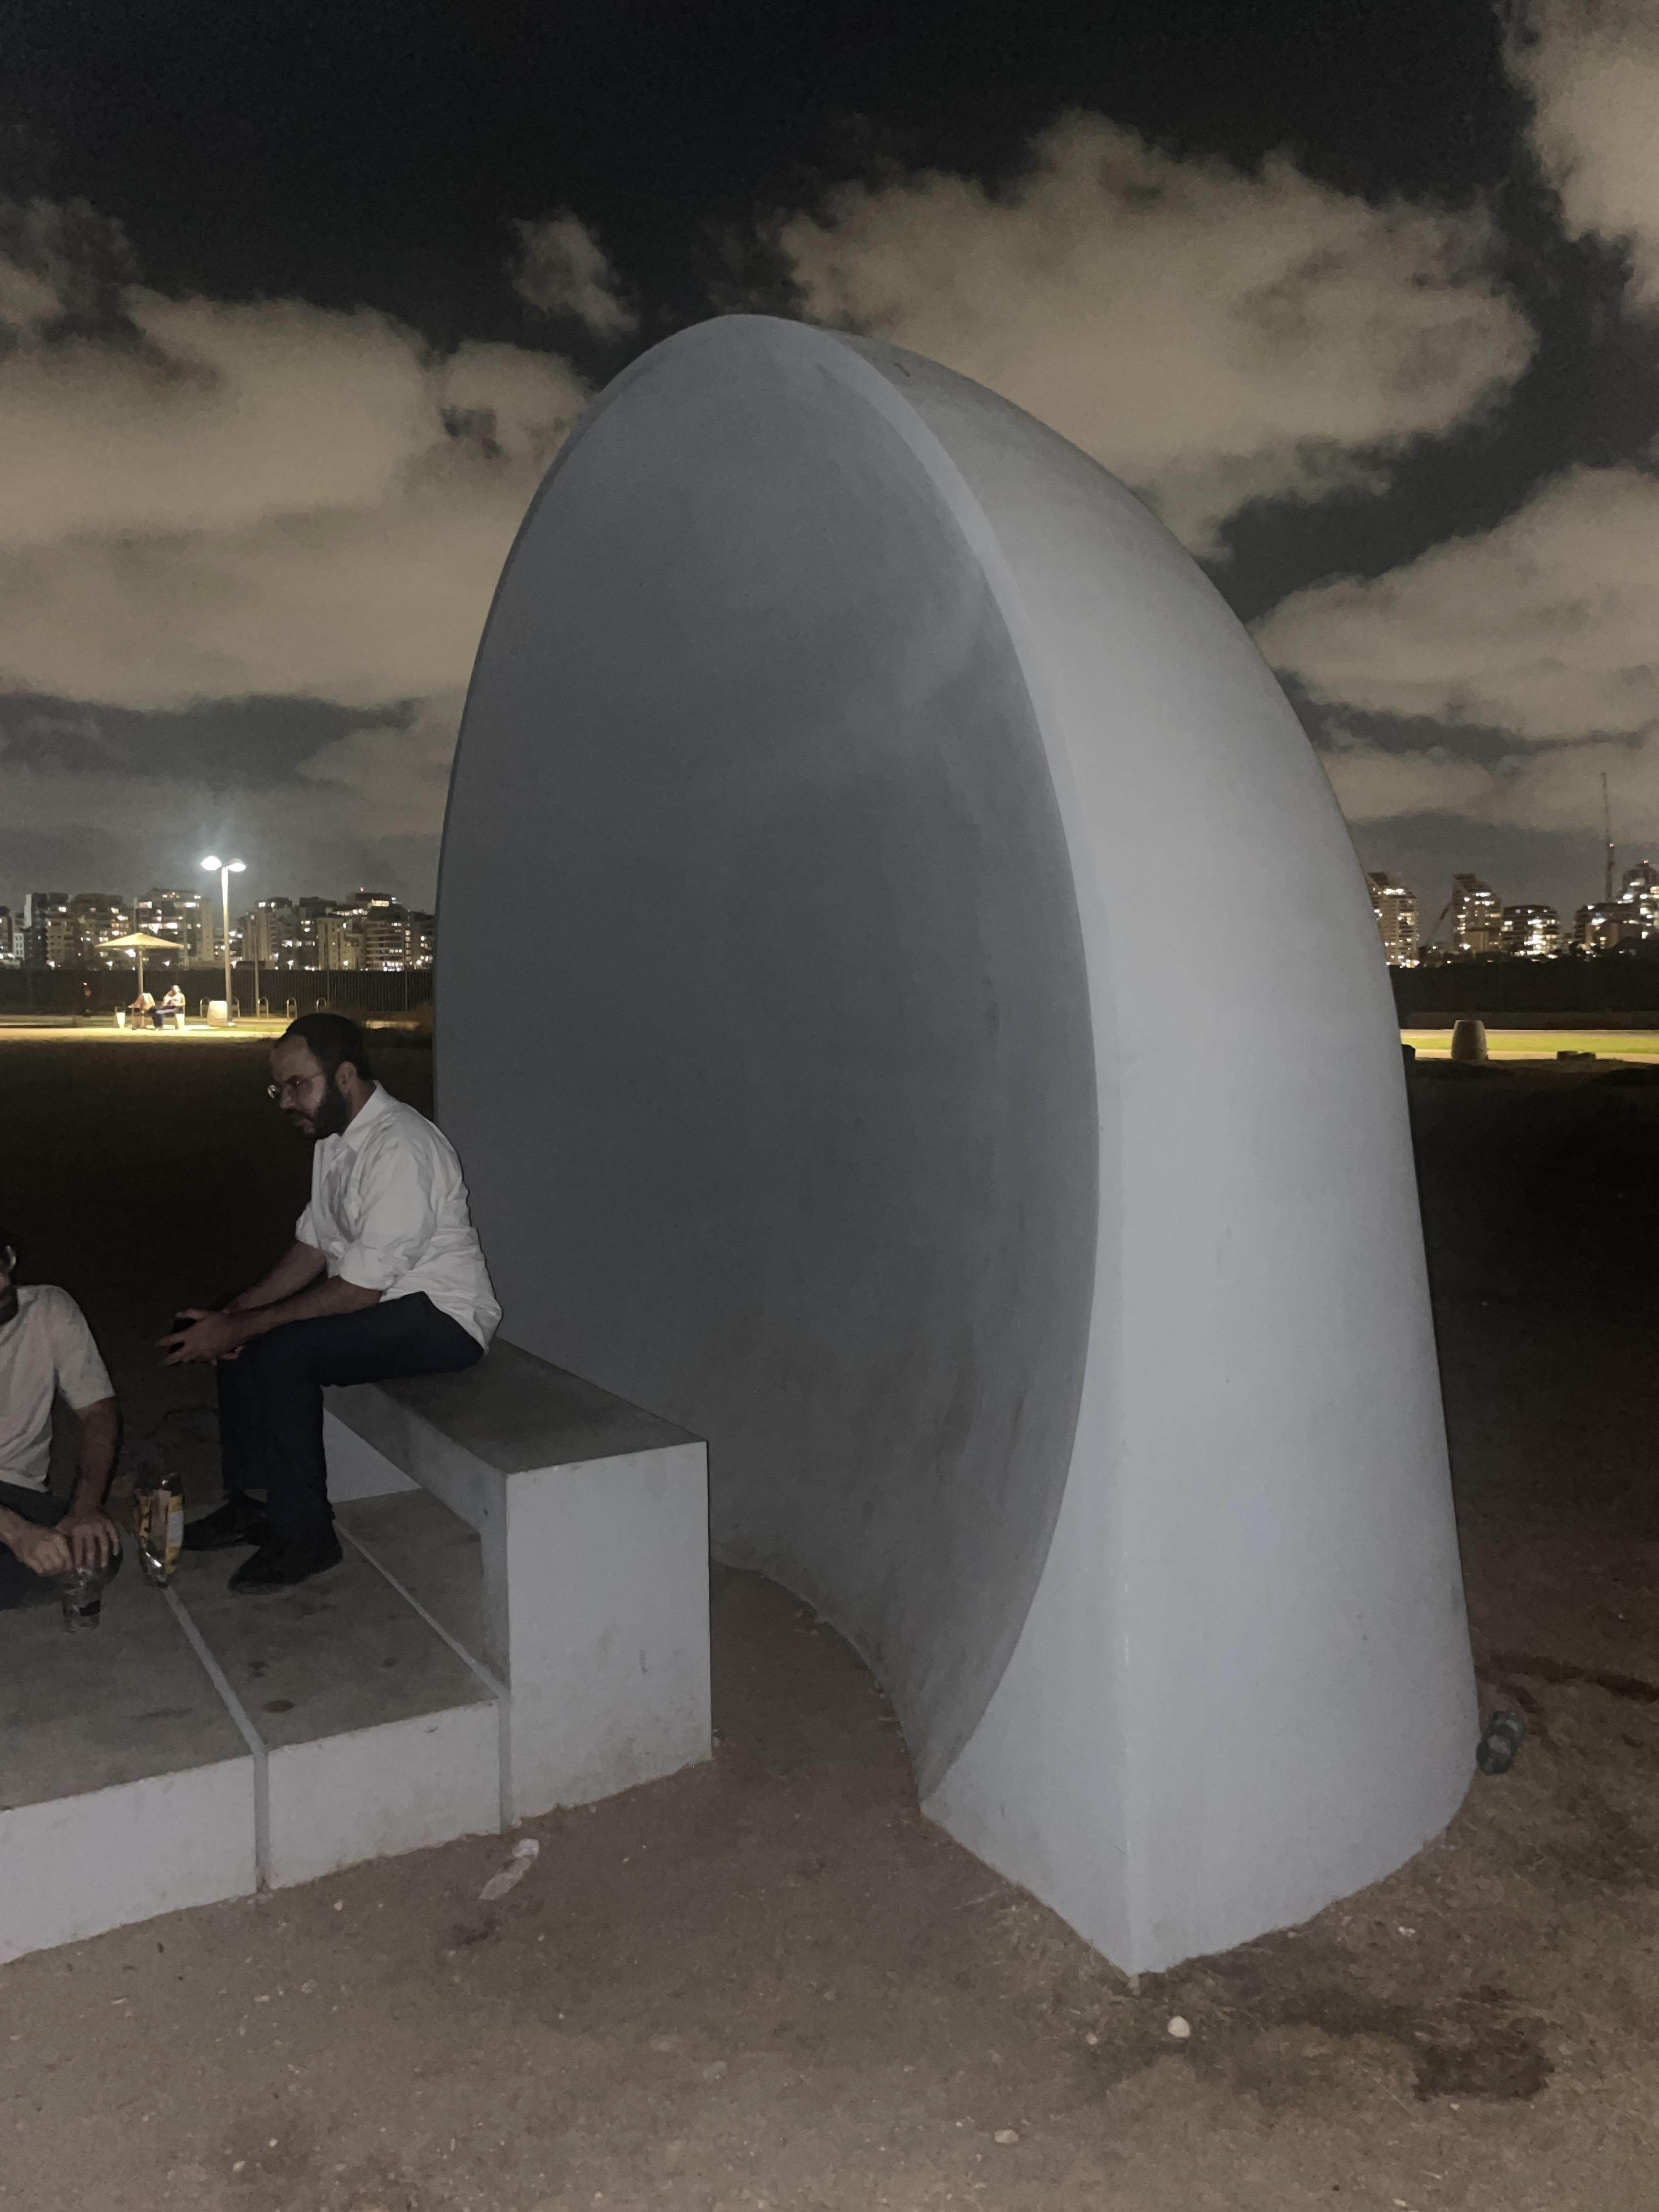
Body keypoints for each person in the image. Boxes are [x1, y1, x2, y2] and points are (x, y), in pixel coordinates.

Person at [162, 1013, 500, 1591]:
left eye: (297, 1085)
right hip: (384, 1307)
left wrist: (245, 1328)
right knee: (239, 1316)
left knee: (280, 1351)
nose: (285, 1102)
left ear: (345, 1077)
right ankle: (255, 1503)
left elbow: (361, 1289)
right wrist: (235, 1314)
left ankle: (307, 1537)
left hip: (441, 1319)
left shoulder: (402, 1146)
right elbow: (314, 1246)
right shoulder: (335, 1140)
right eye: (279, 1088)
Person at [0, 1229, 123, 1611]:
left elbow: (99, 1413)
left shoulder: (48, 1309)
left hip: (16, 1489)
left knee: (94, 1553)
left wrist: (86, 1507)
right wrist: (16, 1532)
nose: (2, 1282)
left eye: (1, 1263)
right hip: (10, 1519)